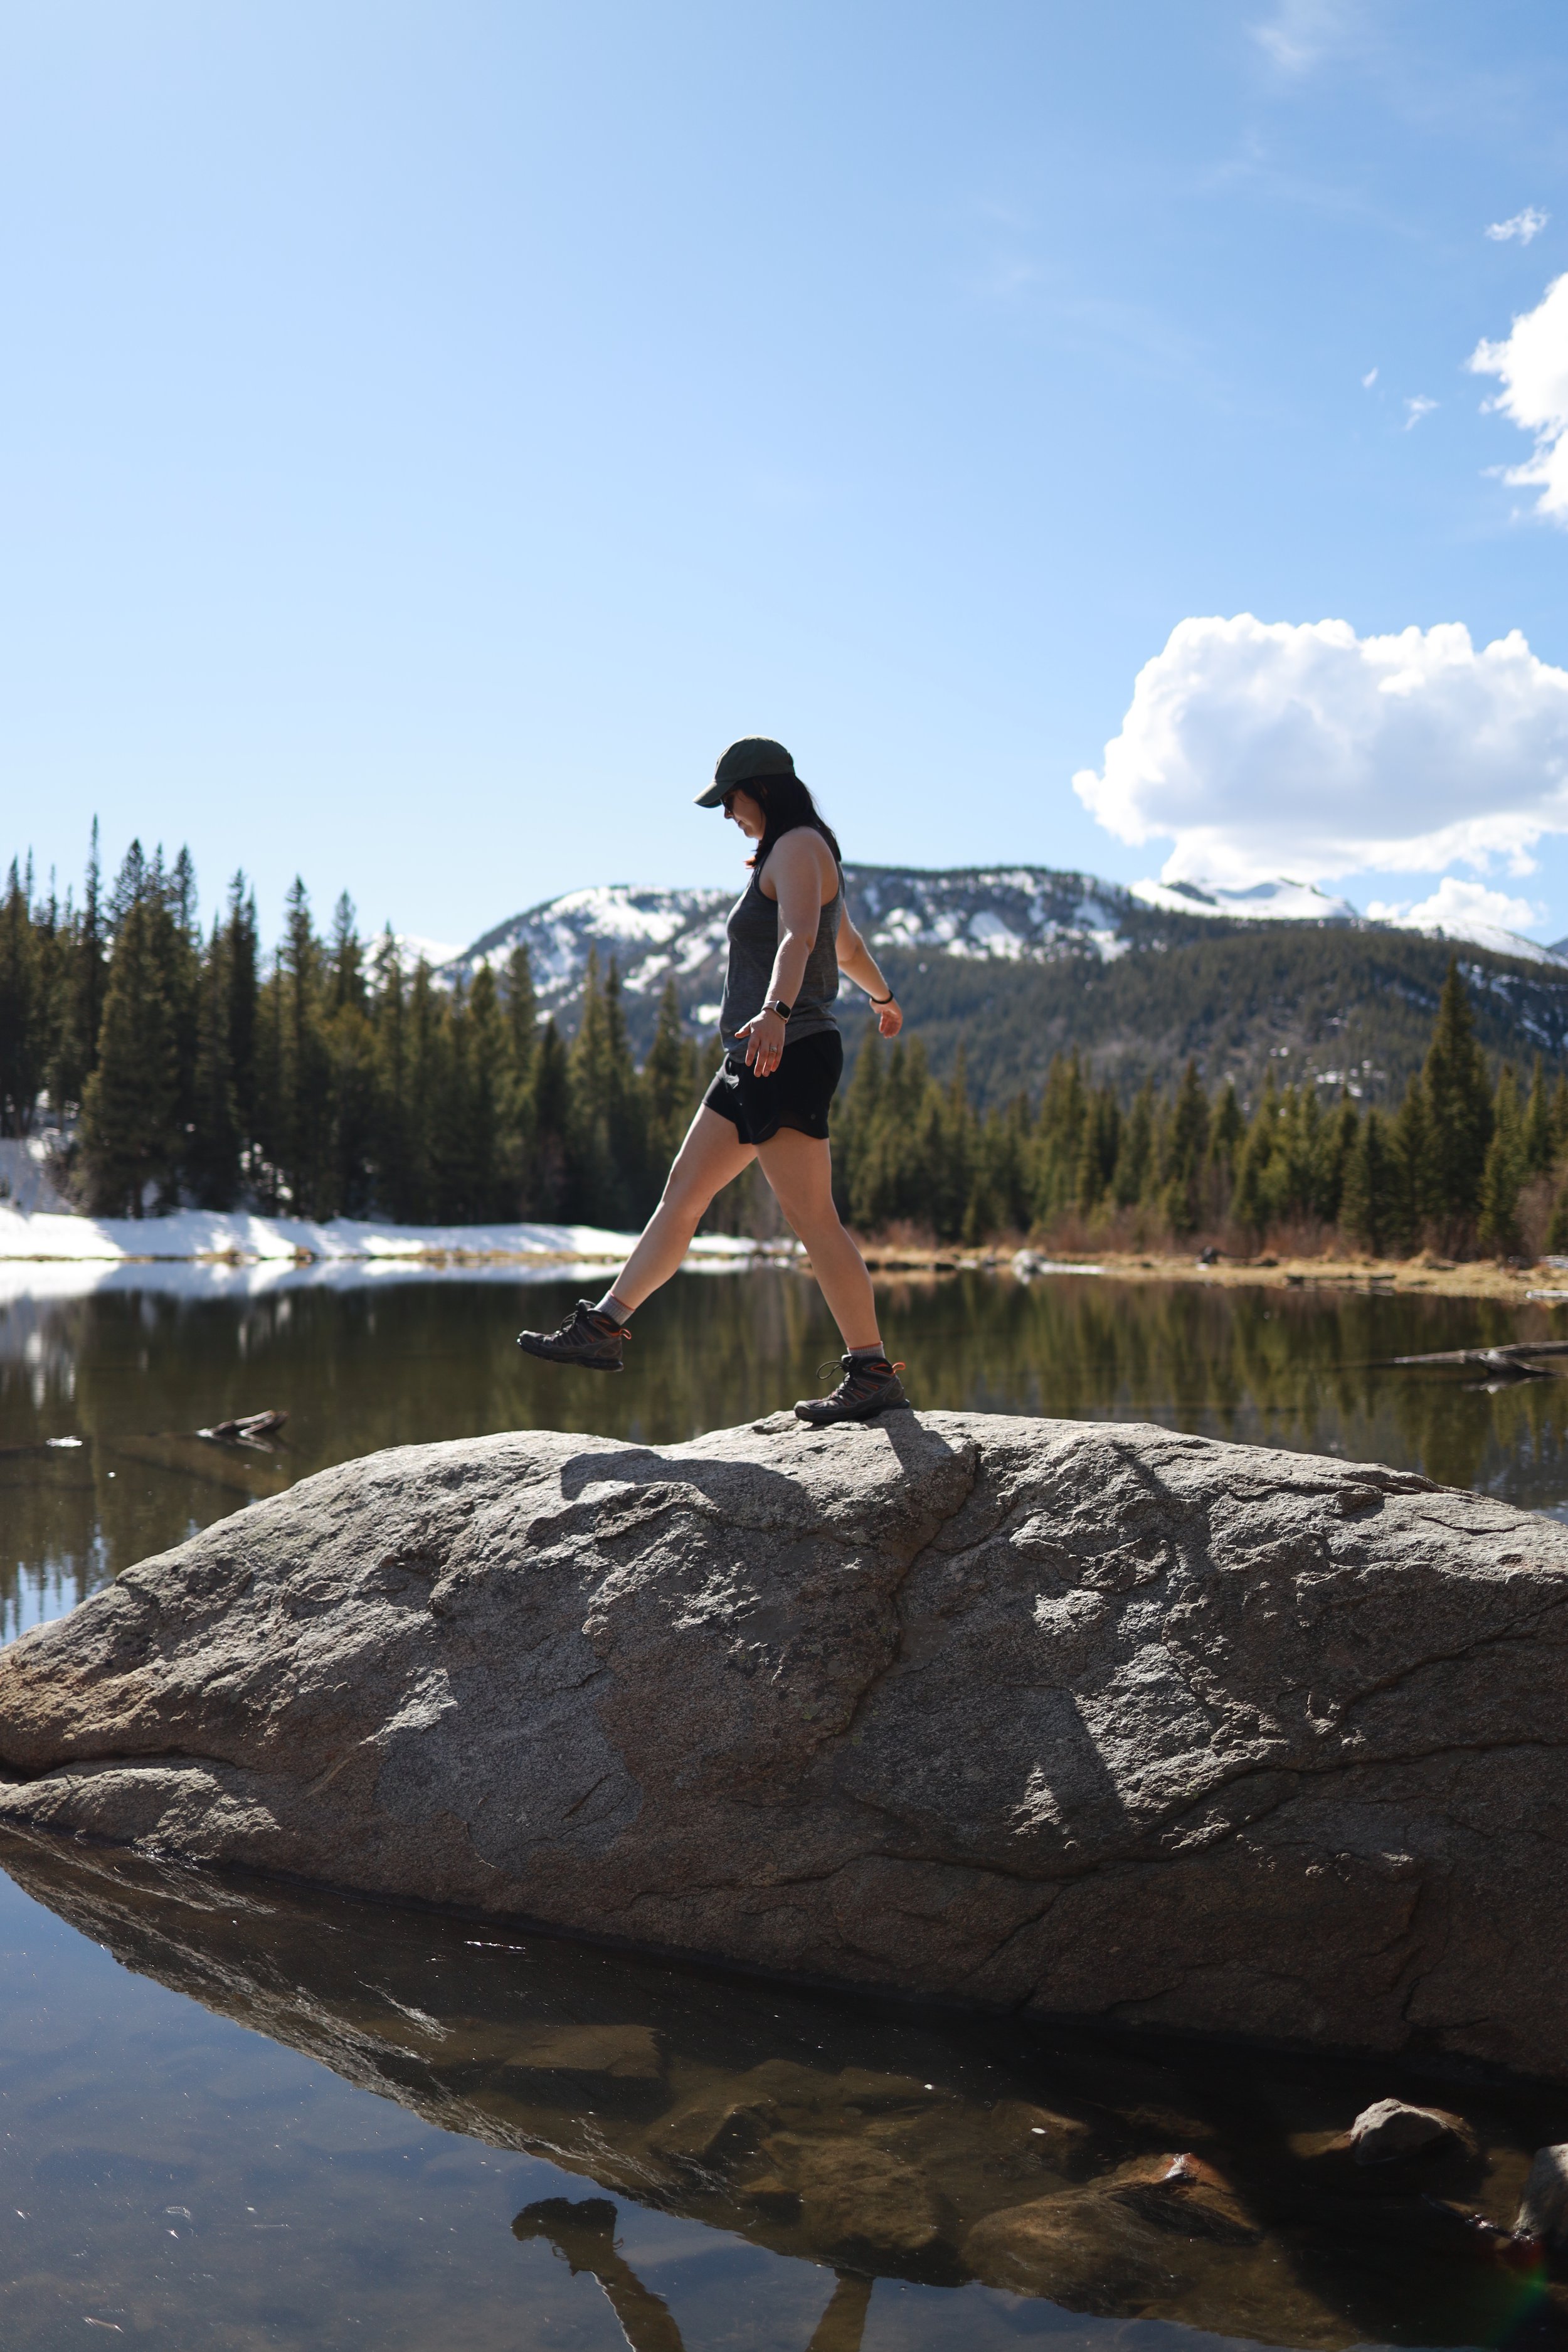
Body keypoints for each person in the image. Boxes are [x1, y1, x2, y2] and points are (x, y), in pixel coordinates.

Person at [517, 736, 909, 1424]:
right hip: (753, 1054)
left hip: (784, 1047)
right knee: (683, 1193)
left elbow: (800, 941)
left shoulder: (798, 847)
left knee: (812, 1218)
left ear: (759, 789)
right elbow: (845, 946)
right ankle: (604, 1328)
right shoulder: (802, 854)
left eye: (729, 800)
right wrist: (882, 998)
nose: (728, 814)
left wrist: (776, 1012)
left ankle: (871, 1370)